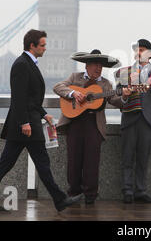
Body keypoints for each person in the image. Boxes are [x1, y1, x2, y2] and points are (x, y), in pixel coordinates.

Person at [0, 29, 82, 212]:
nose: (45, 48)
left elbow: (30, 98)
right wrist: (24, 123)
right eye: (42, 45)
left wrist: (44, 113)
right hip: (26, 126)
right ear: (32, 46)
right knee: (41, 163)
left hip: (27, 123)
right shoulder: (22, 64)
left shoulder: (29, 63)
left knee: (7, 163)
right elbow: (18, 97)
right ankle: (59, 200)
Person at [53, 49, 123, 204]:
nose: (98, 69)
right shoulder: (74, 77)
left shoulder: (106, 84)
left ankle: (90, 195)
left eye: (101, 66)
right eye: (95, 65)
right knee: (74, 160)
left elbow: (115, 100)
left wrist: (125, 95)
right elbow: (58, 87)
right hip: (75, 123)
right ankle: (73, 193)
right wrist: (73, 94)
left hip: (94, 125)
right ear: (87, 66)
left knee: (92, 162)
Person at [115, 39, 151, 203]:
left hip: (148, 119)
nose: (139, 52)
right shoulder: (125, 72)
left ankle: (141, 190)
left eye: (142, 50)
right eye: (137, 49)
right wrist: (124, 94)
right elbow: (117, 94)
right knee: (127, 157)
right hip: (130, 117)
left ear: (150, 54)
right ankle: (128, 191)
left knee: (144, 158)